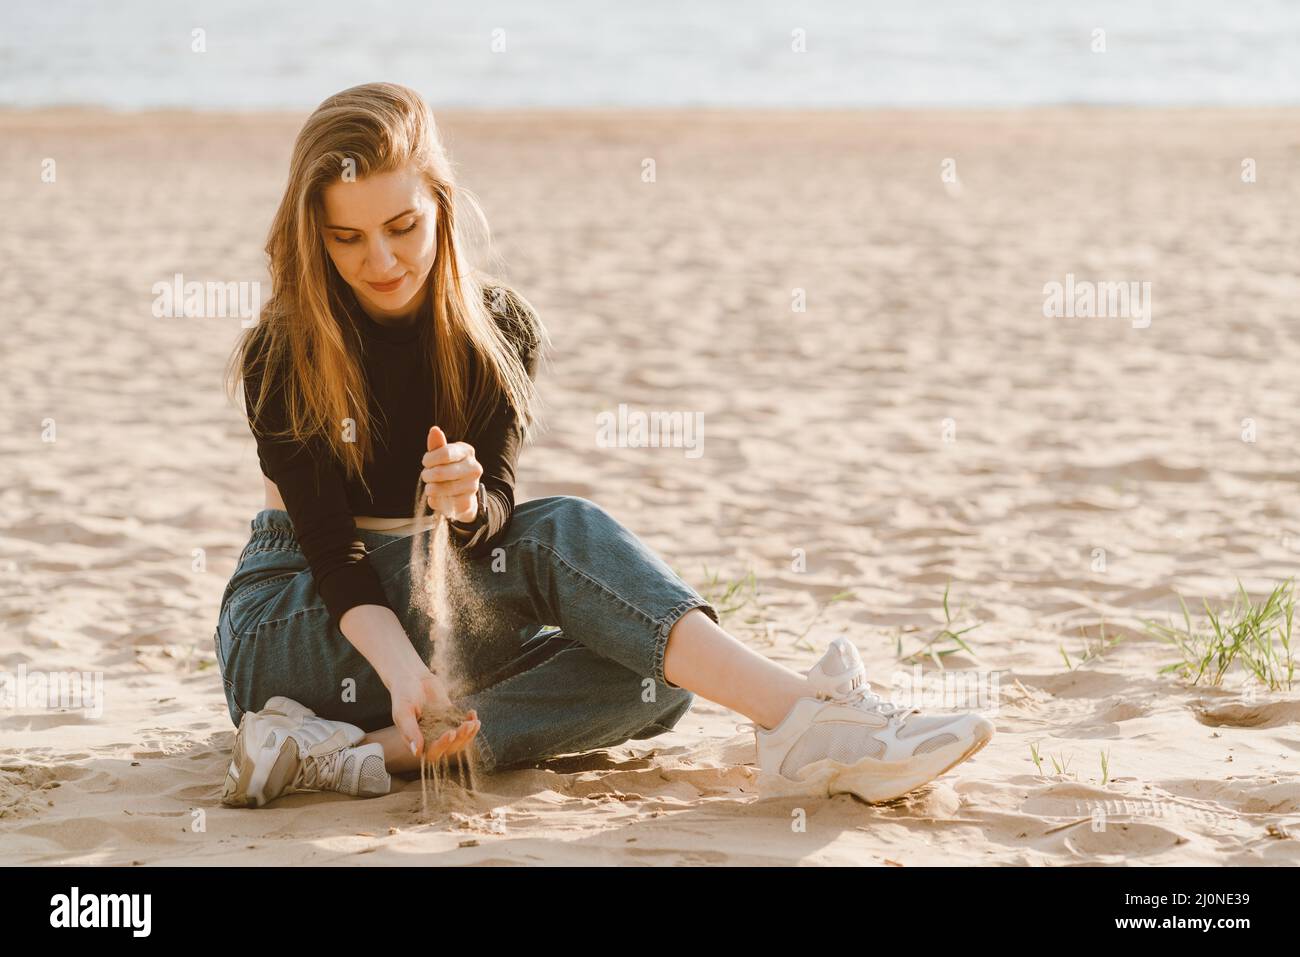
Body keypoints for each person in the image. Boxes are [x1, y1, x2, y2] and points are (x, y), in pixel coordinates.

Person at [214, 81, 994, 809]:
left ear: (441, 206)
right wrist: (407, 672)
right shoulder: (284, 351)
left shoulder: (497, 329)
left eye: (401, 227)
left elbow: (493, 519)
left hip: (433, 605)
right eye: (347, 237)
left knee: (656, 674)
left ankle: (353, 753)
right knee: (560, 534)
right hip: (296, 622)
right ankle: (801, 716)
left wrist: (465, 504)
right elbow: (335, 556)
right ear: (315, 234)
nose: (379, 260)